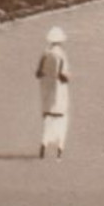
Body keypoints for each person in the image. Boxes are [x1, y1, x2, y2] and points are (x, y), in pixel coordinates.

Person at [35, 27, 71, 159]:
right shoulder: (61, 55)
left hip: (46, 90)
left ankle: (44, 142)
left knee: (48, 118)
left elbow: (38, 73)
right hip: (59, 90)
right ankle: (59, 149)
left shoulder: (45, 54)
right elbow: (63, 75)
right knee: (62, 119)